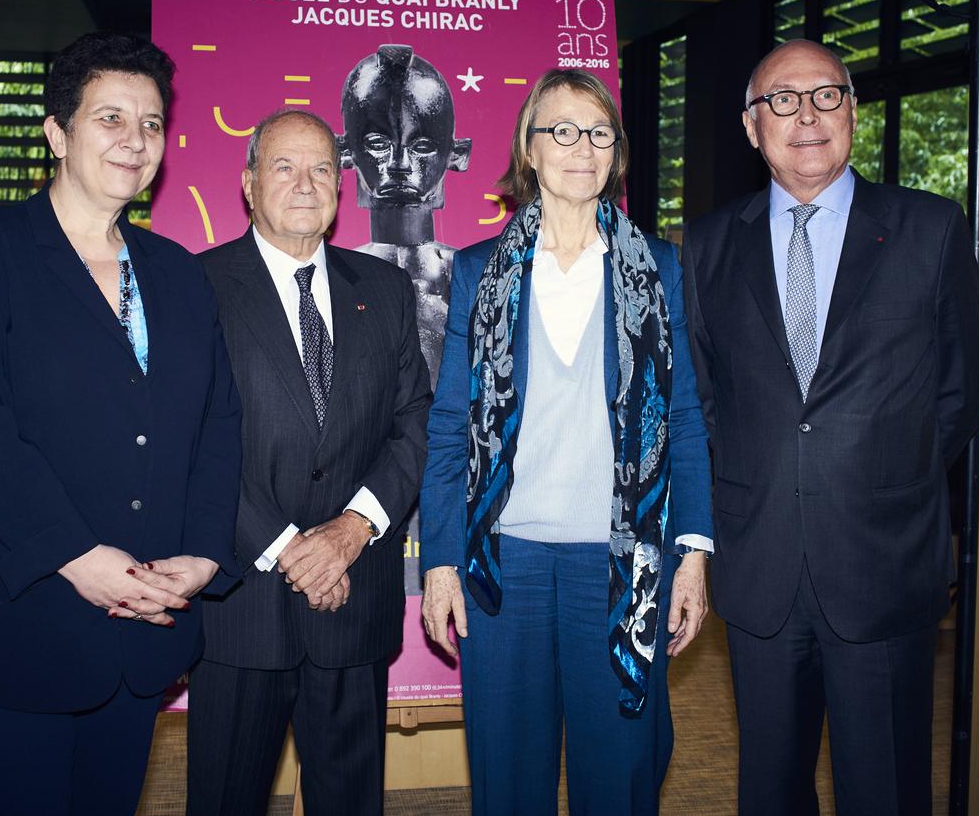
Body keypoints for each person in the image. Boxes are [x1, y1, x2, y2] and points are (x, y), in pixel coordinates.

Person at [0, 32, 242, 816]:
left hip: (133, 632)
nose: (135, 140)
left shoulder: (175, 271)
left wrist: (205, 553)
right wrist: (72, 555)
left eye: (149, 123)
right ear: (56, 132)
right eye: (111, 117)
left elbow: (217, 424)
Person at [680, 39, 979, 815]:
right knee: (771, 788)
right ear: (752, 127)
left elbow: (962, 393)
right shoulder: (710, 244)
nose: (806, 115)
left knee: (884, 786)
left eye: (826, 96)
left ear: (853, 112)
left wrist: (883, 473)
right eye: (782, 100)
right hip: (762, 565)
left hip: (884, 560)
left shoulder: (930, 228)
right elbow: (703, 397)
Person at [419, 69, 714, 816]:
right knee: (508, 778)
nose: (581, 147)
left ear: (616, 153)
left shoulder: (660, 269)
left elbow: (682, 419)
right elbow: (451, 426)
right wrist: (442, 561)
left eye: (599, 132)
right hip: (504, 566)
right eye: (561, 130)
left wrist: (693, 554)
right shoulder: (480, 273)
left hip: (621, 564)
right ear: (530, 146)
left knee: (618, 775)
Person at [187, 109, 431, 816]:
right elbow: (190, 441)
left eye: (322, 167)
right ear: (248, 184)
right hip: (242, 607)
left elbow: (413, 422)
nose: (305, 183)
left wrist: (353, 530)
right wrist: (289, 549)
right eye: (284, 167)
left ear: (341, 185)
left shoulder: (384, 291)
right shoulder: (196, 288)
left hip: (354, 601)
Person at [338, 43, 472, 387]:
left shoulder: (475, 277)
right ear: (346, 151)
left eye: (422, 146)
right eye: (379, 143)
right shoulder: (330, 279)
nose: (400, 164)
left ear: (456, 155)